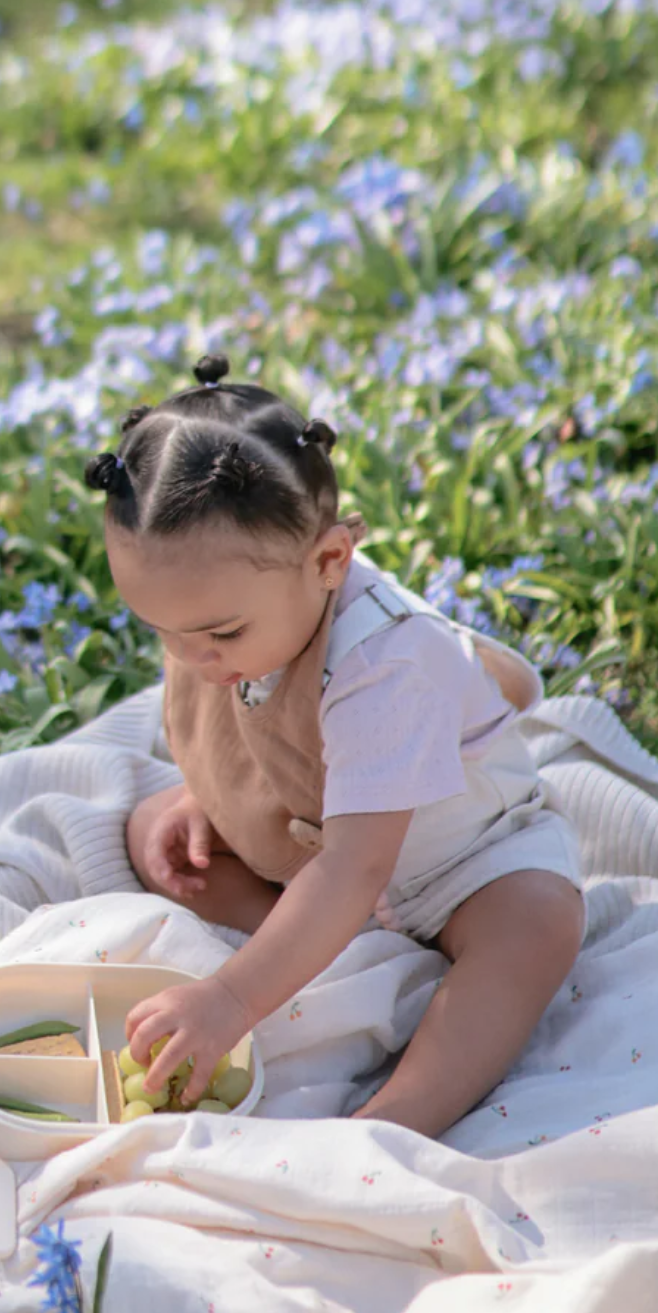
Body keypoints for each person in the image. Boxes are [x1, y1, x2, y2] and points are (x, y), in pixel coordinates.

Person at [81, 352, 586, 1140]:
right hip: (314, 829)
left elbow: (359, 865)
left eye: (218, 634)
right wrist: (201, 796)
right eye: (162, 632)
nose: (191, 659)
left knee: (538, 925)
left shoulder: (385, 664)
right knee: (165, 841)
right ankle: (336, 953)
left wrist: (230, 999)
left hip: (462, 863)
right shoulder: (236, 613)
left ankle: (397, 1114)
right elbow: (267, 732)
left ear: (330, 563)